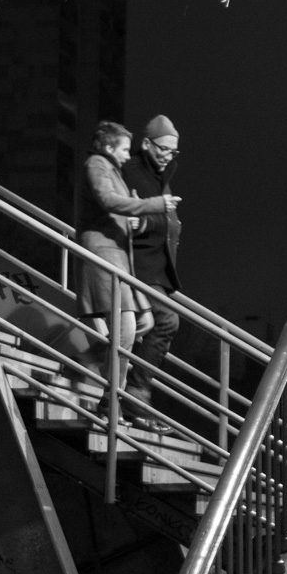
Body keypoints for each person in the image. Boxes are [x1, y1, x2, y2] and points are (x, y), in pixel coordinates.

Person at [76, 121, 177, 391]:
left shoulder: (112, 169)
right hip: (105, 253)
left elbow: (121, 205)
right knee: (128, 328)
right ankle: (112, 400)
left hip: (119, 255)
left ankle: (91, 358)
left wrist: (139, 216)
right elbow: (108, 201)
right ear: (109, 147)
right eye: (123, 149)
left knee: (144, 321)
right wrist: (153, 205)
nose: (126, 155)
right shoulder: (97, 164)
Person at [119, 115, 183, 420]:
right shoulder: (131, 172)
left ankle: (97, 367)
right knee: (167, 321)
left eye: (173, 152)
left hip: (158, 271)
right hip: (139, 266)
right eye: (163, 149)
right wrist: (142, 221)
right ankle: (136, 393)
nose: (168, 156)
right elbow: (124, 210)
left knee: (150, 326)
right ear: (146, 144)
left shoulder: (161, 177)